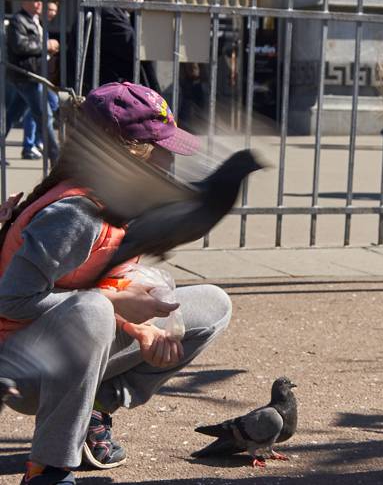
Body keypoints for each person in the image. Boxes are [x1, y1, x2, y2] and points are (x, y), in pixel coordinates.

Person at [0, 82, 232, 485]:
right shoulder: (76, 212)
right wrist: (117, 303)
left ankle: (90, 410)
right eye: (162, 150)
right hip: (20, 367)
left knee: (212, 305)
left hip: (67, 349)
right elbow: (12, 301)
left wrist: (138, 327)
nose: (170, 161)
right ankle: (49, 469)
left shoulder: (120, 203)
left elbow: (104, 285)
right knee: (93, 310)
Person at [82, 0, 160, 94]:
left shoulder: (107, 7)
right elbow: (136, 48)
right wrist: (136, 12)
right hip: (112, 93)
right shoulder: (106, 10)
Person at [4, 0, 60, 163]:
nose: (38, 4)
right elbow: (20, 45)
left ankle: (32, 147)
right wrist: (46, 46)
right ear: (24, 2)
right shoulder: (18, 20)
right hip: (26, 76)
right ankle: (55, 157)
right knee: (45, 115)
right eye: (35, 1)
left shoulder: (34, 20)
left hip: (34, 75)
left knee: (13, 115)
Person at [22, 0, 60, 161]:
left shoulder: (40, 23)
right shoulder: (31, 22)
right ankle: (32, 145)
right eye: (50, 9)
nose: (52, 13)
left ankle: (35, 142)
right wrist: (47, 45)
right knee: (39, 109)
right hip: (29, 74)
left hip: (39, 74)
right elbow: (23, 46)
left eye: (55, 10)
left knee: (48, 104)